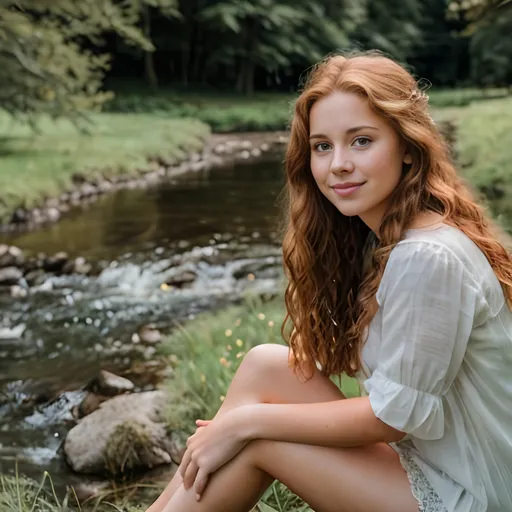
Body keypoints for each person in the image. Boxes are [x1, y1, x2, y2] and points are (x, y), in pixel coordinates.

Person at [146, 51, 512, 512]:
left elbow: (391, 419)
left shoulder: (428, 257)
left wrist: (245, 423)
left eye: (361, 141)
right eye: (323, 146)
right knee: (267, 364)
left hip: (478, 492)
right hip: (437, 462)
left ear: (408, 148)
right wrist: (244, 421)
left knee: (258, 441)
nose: (337, 164)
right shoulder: (387, 236)